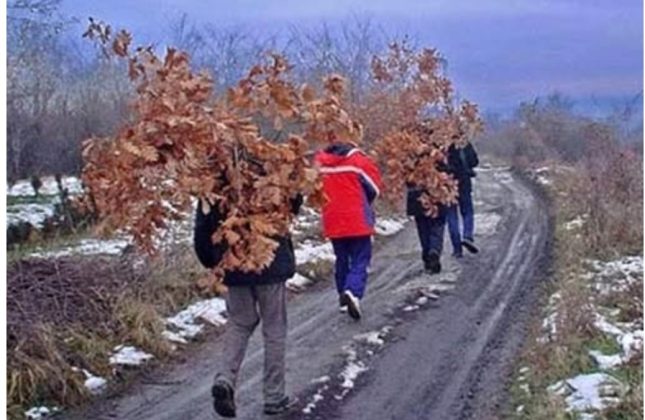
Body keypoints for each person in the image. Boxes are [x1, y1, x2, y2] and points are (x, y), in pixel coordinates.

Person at [194, 194, 303, 418]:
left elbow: (203, 225)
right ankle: (274, 396)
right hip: (270, 259)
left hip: (233, 263)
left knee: (239, 323)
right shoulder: (274, 163)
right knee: (274, 328)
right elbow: (292, 203)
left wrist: (213, 261)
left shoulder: (214, 174)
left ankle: (225, 379)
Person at [315, 141, 383, 320]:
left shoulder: (320, 164)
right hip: (357, 218)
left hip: (333, 219)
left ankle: (343, 297)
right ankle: (352, 291)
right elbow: (374, 189)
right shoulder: (358, 161)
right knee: (361, 258)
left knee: (342, 259)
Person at [446, 140, 479, 257]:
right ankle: (467, 235)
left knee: (451, 216)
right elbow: (475, 161)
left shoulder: (441, 143)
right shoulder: (464, 143)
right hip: (464, 181)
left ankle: (457, 249)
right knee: (467, 212)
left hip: (447, 184)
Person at [406, 184, 446, 274]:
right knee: (437, 225)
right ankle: (434, 250)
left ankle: (427, 256)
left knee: (423, 228)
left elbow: (407, 178)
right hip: (437, 192)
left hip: (417, 196)